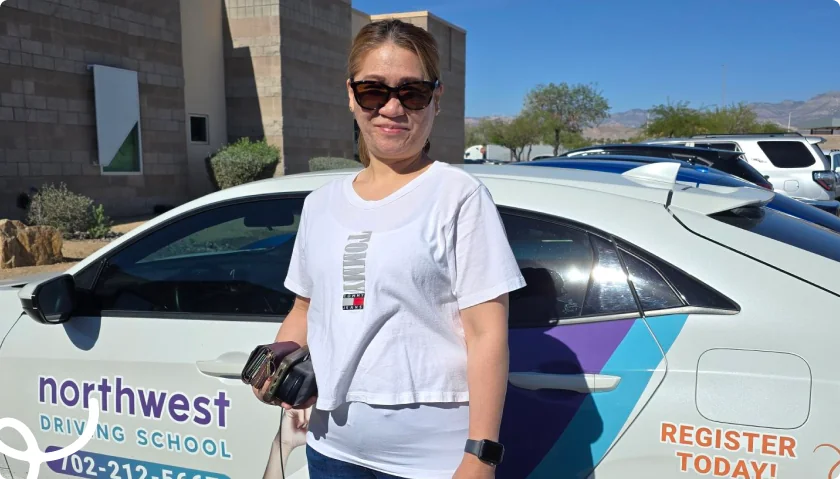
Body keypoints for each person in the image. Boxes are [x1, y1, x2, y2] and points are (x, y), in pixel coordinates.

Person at [254, 18, 526, 479]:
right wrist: (276, 361)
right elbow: (305, 307)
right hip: (330, 450)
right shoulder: (320, 205)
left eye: (412, 92)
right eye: (373, 91)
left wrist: (480, 457)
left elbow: (487, 335)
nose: (392, 108)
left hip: (431, 461)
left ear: (436, 100)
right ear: (351, 95)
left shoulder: (458, 195)